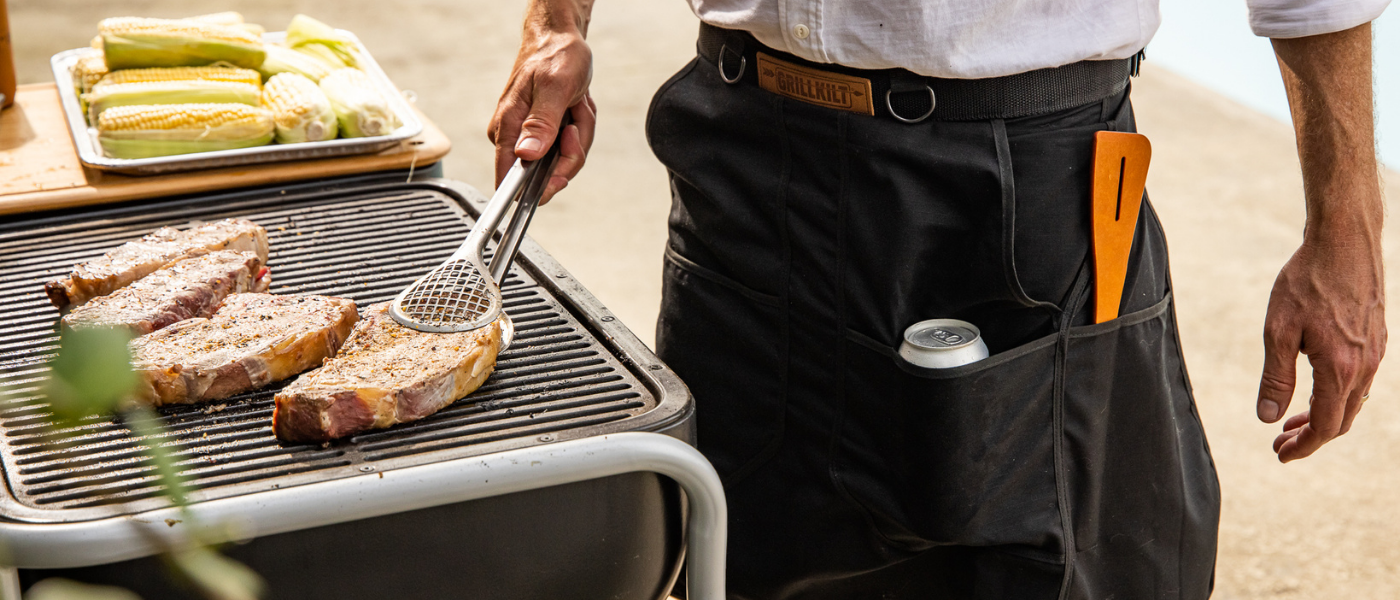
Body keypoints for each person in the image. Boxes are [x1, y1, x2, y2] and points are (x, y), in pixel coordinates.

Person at [490, 0, 1388, 597]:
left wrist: (1345, 229)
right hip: (743, 162)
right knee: (742, 554)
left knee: (1060, 568)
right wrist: (554, 22)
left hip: (1016, 179)